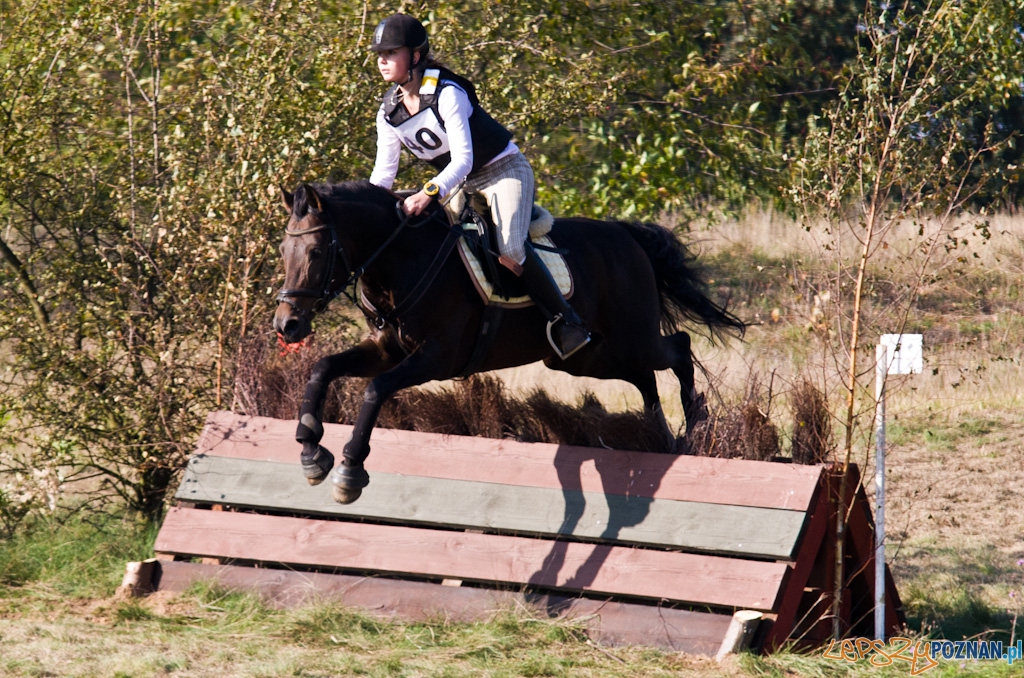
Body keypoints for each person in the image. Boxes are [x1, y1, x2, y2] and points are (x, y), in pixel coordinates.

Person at [367, 13, 591, 360]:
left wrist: (427, 194)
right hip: (462, 184)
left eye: (391, 52)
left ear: (415, 56)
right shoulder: (388, 112)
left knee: (511, 248)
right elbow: (383, 175)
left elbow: (463, 160)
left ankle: (567, 321)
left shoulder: (447, 93)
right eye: (380, 54)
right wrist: (365, 206)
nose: (382, 60)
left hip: (503, 171)